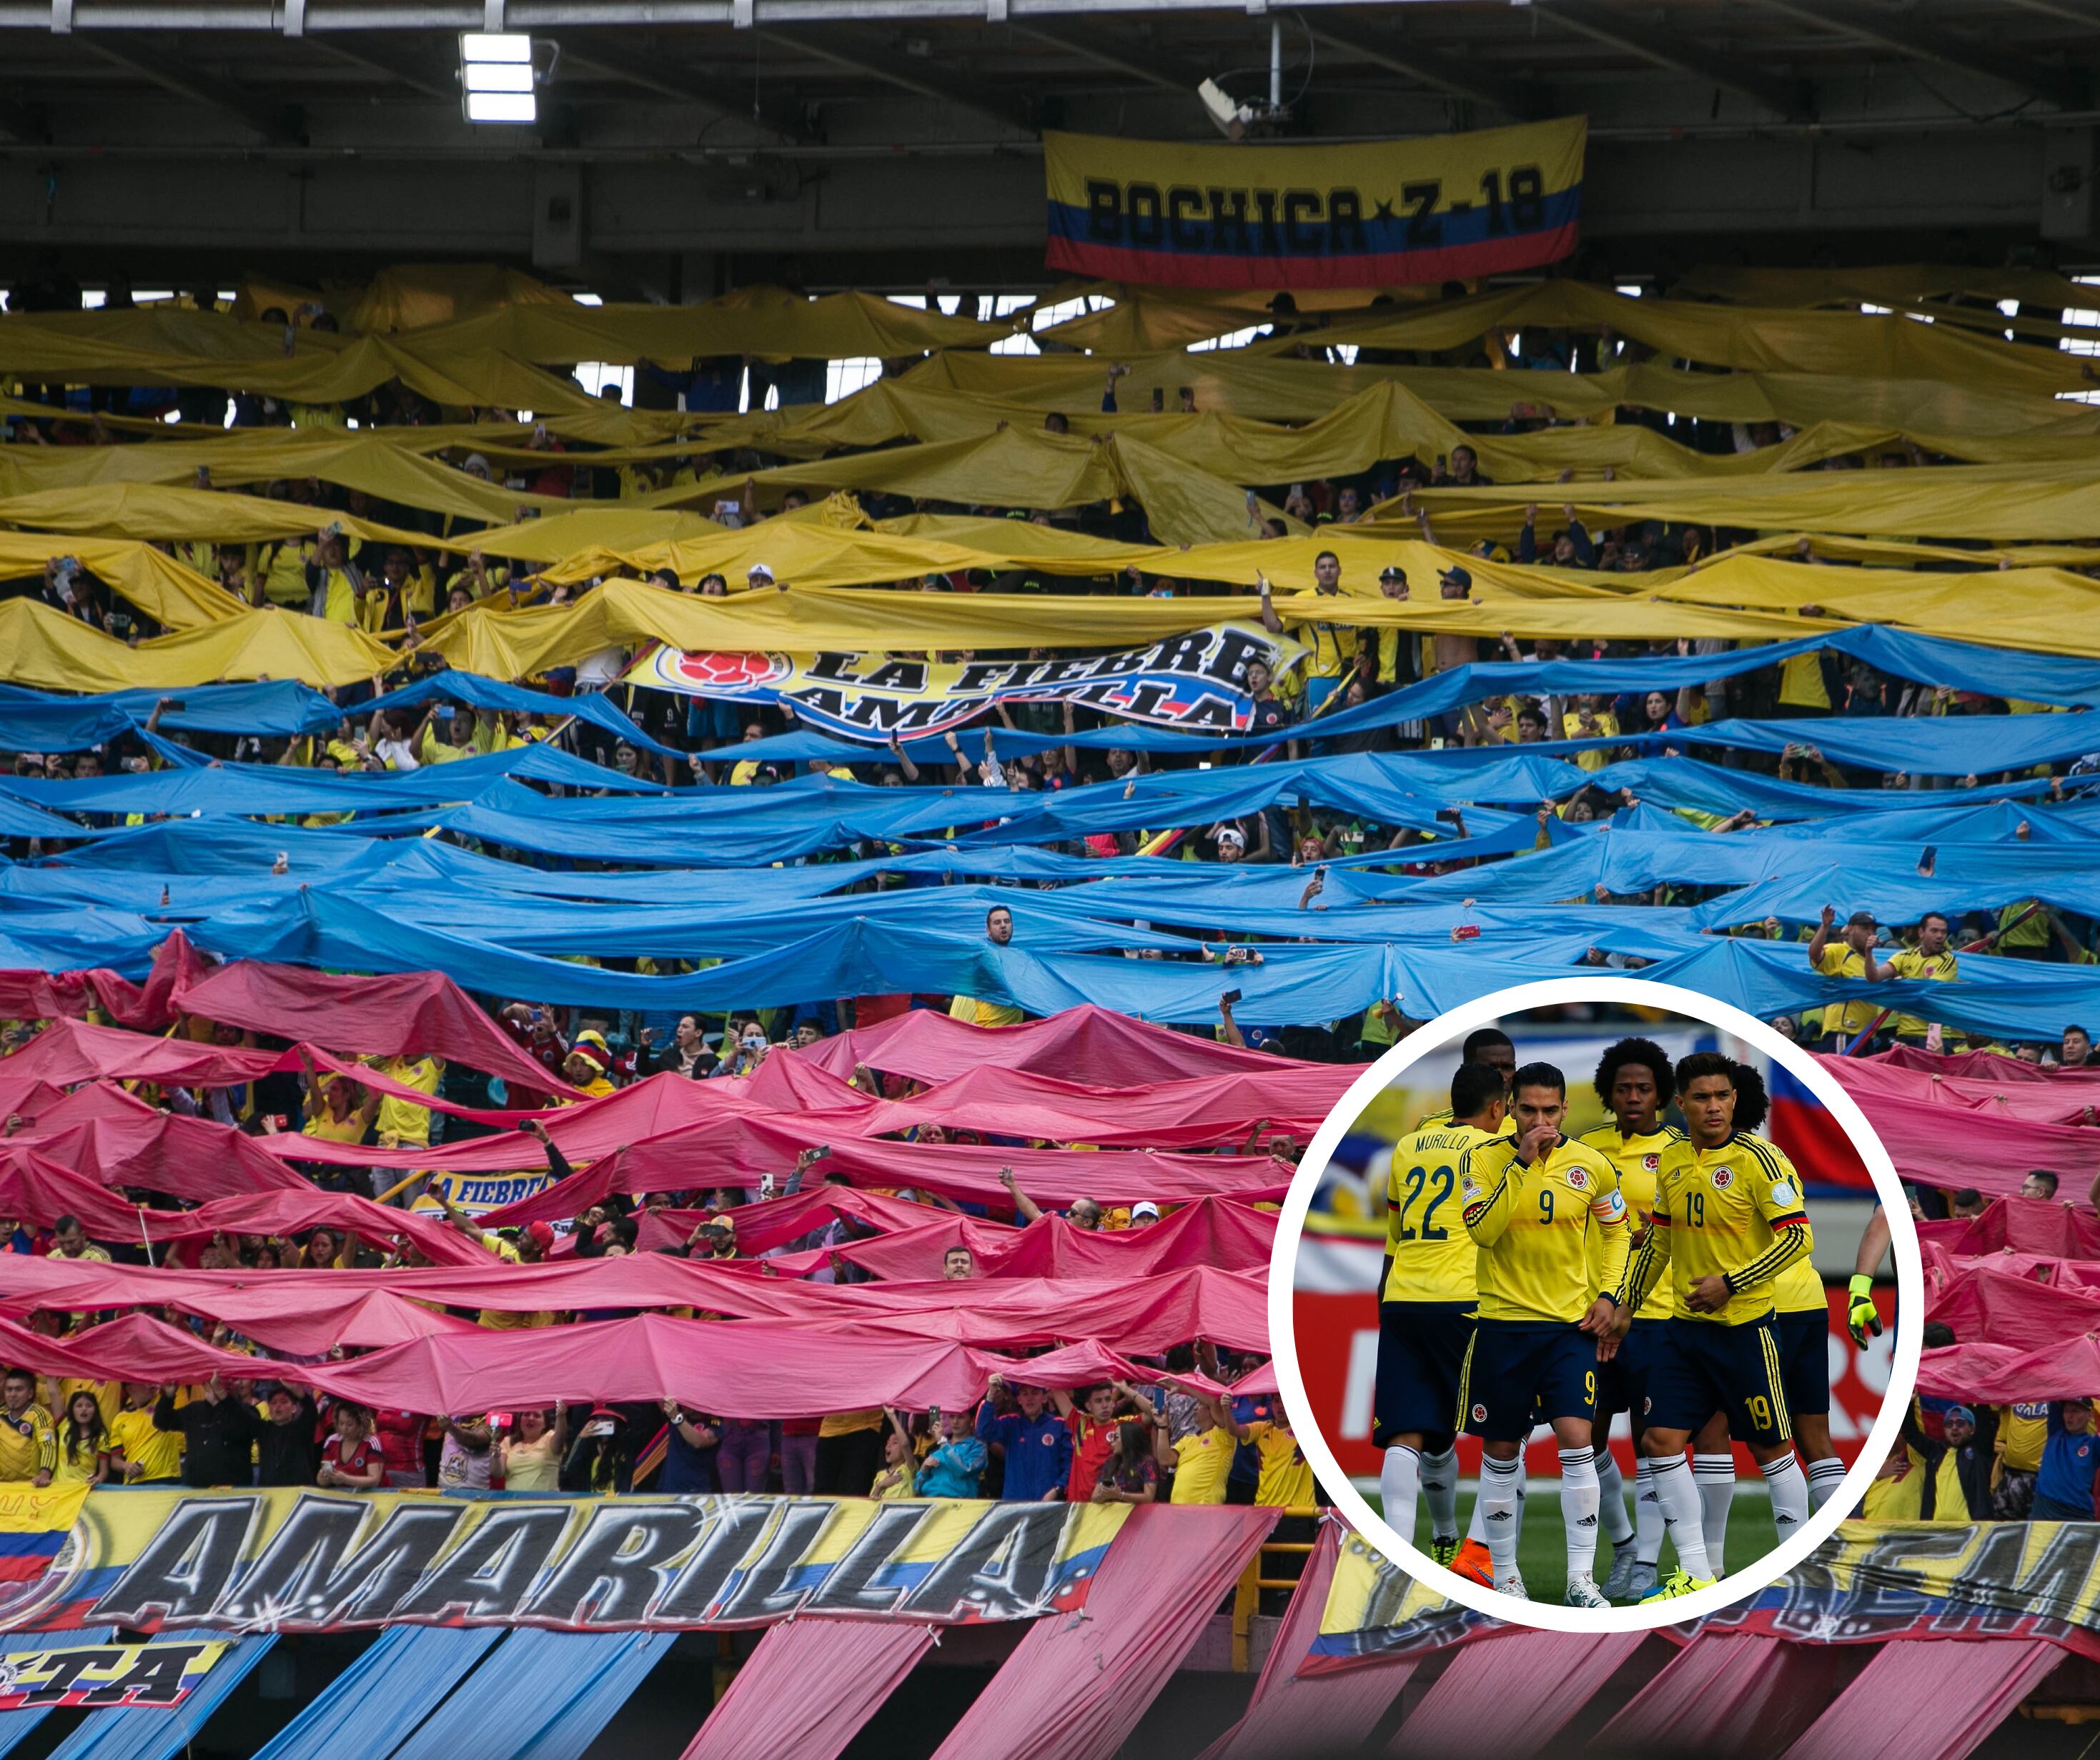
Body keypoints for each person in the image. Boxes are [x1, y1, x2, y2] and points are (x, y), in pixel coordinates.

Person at [1611, 1053, 1816, 1601]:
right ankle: (1698, 1575)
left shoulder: (1760, 1159)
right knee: (1660, 1440)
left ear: (1734, 1099)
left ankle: (1795, 1573)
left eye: (1722, 1096)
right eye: (1701, 1097)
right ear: (1682, 1103)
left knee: (1773, 1449)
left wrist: (1731, 1281)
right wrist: (1626, 1303)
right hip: (1684, 1331)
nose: (1714, 1106)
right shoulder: (1673, 1159)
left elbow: (1799, 1239)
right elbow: (1659, 1240)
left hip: (1745, 1329)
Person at [1457, 1062, 1629, 1606]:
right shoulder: (1480, 1159)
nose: (1539, 1120)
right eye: (1528, 1110)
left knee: (1579, 1438)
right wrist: (1519, 1162)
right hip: (1504, 1326)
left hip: (1567, 1329)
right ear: (1510, 1107)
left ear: (1565, 1110)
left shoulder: (1592, 1165)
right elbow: (1482, 1231)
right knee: (1504, 1449)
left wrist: (1610, 1294)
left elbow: (1619, 1231)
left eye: (1549, 1111)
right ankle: (1504, 1573)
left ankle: (1582, 1580)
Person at [1377, 1061, 1506, 1573]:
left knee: (1404, 1433)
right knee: (1505, 1426)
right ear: (1497, 1107)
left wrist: (1384, 1287)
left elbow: (1394, 1228)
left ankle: (1395, 1562)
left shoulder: (1409, 1146)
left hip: (1403, 1295)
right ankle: (1475, 1554)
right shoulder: (1494, 1149)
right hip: (1465, 1299)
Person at [1574, 1037, 1681, 1599]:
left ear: (1660, 1092)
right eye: (1623, 1088)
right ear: (1608, 1094)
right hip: (1589, 1314)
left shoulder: (1682, 1150)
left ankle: (1644, 1563)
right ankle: (1621, 1544)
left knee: (1653, 1442)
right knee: (1584, 1440)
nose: (1633, 1096)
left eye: (1643, 1088)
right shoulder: (1584, 1148)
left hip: (1653, 1316)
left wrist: (1631, 1308)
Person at [976, 1378, 1072, 1501]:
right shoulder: (1011, 1424)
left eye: (1035, 1393)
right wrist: (990, 1397)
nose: (1030, 1398)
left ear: (1044, 1398)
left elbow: (1070, 1466)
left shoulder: (1060, 1426)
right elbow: (983, 1431)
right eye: (1025, 1394)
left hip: (1049, 1505)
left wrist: (1057, 1490)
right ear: (1019, 1400)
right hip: (1014, 1505)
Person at [155, 1377, 262, 1488]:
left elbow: (250, 1428)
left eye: (234, 1380)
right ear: (207, 1385)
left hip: (234, 1488)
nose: (228, 1382)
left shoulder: (247, 1411)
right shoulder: (195, 1410)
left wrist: (220, 1402)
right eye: (219, 1380)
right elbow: (162, 1421)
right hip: (195, 1489)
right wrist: (168, 1396)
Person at [948, 905, 1024, 1028]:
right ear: (988, 930)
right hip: (989, 1033)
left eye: (1007, 921)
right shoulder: (984, 955)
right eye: (997, 923)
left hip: (1010, 1033)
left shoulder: (1014, 956)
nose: (1003, 925)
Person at [2032, 1400, 2100, 1520]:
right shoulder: (2056, 1432)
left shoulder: (2093, 1444)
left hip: (2077, 1513)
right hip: (2045, 1508)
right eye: (2066, 1411)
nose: (2069, 1416)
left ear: (2090, 1415)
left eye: (2075, 1411)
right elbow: (2056, 1393)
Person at [257, 1384, 323, 1487]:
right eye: (274, 1403)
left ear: (294, 1408)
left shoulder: (302, 1428)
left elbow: (311, 1411)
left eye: (284, 1402)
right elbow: (243, 1416)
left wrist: (302, 1396)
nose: (278, 1406)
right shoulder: (263, 1430)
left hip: (297, 1492)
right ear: (269, 1409)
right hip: (269, 1492)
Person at [0, 1369, 56, 1486]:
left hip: (30, 1486)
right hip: (3, 1488)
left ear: (30, 1393)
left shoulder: (39, 1414)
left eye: (19, 1389)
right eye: (9, 1389)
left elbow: (48, 1446)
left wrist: (44, 1474)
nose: (13, 1394)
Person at [916, 1409, 988, 1497]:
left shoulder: (978, 1447)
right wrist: (924, 1471)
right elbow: (917, 1488)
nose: (955, 1422)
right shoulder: (935, 1448)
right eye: (952, 1417)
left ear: (972, 1420)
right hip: (931, 1502)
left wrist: (943, 1443)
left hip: (960, 1504)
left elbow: (965, 1470)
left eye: (961, 1417)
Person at [497, 1407, 568, 1491]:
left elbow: (559, 1440)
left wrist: (561, 1416)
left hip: (545, 1502)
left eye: (537, 1416)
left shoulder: (549, 1437)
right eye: (526, 1414)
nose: (531, 1418)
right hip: (513, 1502)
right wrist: (495, 1456)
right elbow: (498, 1473)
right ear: (520, 1421)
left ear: (545, 1424)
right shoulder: (508, 1441)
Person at [318, 1404, 386, 1490]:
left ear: (361, 1423)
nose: (344, 1428)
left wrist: (346, 1479)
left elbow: (374, 1480)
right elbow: (323, 1477)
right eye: (341, 1423)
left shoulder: (371, 1443)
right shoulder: (331, 1441)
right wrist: (322, 1478)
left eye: (350, 1424)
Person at [1090, 1421, 1159, 1505]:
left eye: (1116, 1437)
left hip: (1141, 1514)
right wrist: (1104, 1495)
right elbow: (1094, 1497)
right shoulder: (1110, 1463)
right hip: (1115, 1514)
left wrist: (1120, 1496)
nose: (1112, 1441)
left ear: (1128, 1439)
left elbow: (1149, 1498)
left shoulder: (1147, 1462)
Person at [53, 1389, 107, 1486]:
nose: (84, 1409)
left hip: (84, 1490)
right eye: (79, 1406)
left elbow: (104, 1472)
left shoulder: (101, 1436)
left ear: (95, 1410)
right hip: (59, 1488)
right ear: (72, 1409)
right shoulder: (64, 1424)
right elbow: (53, 1393)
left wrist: (98, 1479)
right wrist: (50, 1376)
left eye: (89, 1406)